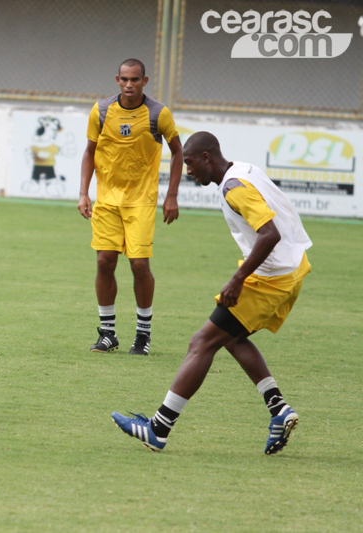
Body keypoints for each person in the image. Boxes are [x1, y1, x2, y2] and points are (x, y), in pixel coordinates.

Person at [112, 131, 312, 454]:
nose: (188, 171)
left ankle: (158, 428)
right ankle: (279, 410)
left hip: (271, 276)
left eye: (189, 164)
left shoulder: (234, 188)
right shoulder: (243, 171)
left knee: (201, 342)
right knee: (230, 337)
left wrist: (238, 279)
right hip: (289, 268)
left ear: (206, 158)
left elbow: (269, 233)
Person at [78, 58, 183, 356]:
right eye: (124, 79)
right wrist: (83, 193)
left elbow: (178, 152)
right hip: (107, 200)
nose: (129, 84)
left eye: (135, 79)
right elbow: (89, 151)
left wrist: (171, 196)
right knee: (104, 262)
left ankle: (143, 334)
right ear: (117, 79)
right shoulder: (100, 111)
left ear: (145, 81)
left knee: (139, 264)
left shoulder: (158, 114)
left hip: (141, 200)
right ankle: (108, 333)